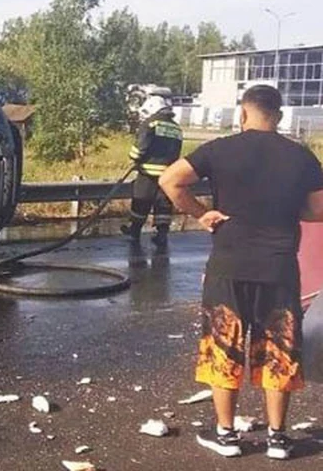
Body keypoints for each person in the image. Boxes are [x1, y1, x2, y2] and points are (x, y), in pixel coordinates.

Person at [160, 84, 323, 460]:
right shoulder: (301, 156)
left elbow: (170, 180)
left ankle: (226, 435)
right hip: (279, 269)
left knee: (223, 348)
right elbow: (318, 208)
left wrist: (200, 213)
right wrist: (285, 211)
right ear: (279, 117)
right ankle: (279, 439)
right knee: (279, 351)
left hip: (228, 267)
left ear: (243, 114)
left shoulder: (221, 149)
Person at [121, 95, 183, 247]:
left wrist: (134, 157)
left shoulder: (150, 123)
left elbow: (141, 146)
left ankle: (134, 232)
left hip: (148, 172)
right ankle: (161, 235)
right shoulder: (176, 127)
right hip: (168, 174)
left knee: (141, 201)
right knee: (163, 204)